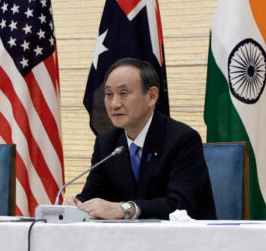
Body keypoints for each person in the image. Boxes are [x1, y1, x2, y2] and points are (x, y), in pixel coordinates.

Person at [66, 58, 216, 220]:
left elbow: (180, 205)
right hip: (125, 241)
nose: (114, 104)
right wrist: (78, 204)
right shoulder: (107, 143)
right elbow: (94, 193)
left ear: (151, 96)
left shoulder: (182, 139)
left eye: (123, 94)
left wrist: (126, 209)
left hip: (182, 240)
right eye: (109, 94)